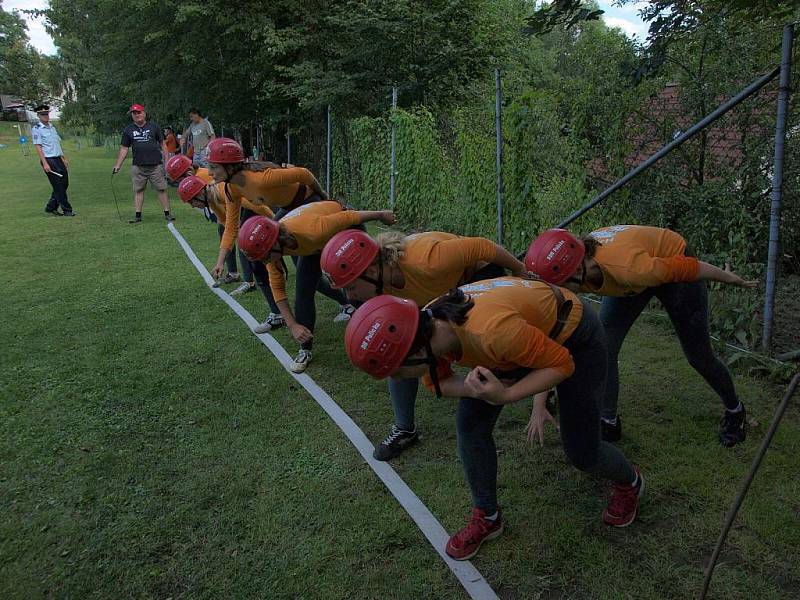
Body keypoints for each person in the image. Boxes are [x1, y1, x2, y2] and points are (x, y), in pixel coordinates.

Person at [345, 279, 643, 560]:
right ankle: (488, 516)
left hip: (574, 335)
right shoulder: (423, 327)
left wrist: (507, 395)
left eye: (397, 372)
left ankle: (631, 482)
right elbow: (440, 383)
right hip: (519, 336)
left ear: (416, 351)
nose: (397, 379)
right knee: (470, 424)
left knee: (583, 452)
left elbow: (562, 363)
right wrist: (478, 391)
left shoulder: (491, 332)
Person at [525, 226, 758, 447]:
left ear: (576, 270)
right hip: (631, 268)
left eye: (559, 285)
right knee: (605, 346)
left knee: (699, 355)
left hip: (669, 261)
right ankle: (608, 423)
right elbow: (556, 334)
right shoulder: (581, 269)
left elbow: (690, 268)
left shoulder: (631, 268)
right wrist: (539, 401)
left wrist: (730, 279)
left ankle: (735, 410)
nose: (557, 292)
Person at [321, 229, 526, 460]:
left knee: (491, 342)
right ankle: (404, 428)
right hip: (439, 295)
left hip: (474, 277)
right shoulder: (378, 289)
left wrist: (519, 270)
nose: (349, 297)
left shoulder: (427, 260)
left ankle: (532, 379)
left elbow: (482, 246)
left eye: (350, 287)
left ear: (370, 271)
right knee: (397, 352)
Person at [237, 203, 395, 373]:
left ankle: (390, 321)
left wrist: (381, 214)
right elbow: (277, 288)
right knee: (303, 291)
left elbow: (350, 217)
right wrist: (293, 326)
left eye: (265, 256)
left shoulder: (313, 229)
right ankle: (305, 349)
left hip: (344, 230)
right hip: (313, 246)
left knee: (357, 284)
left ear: (275, 243)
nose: (264, 261)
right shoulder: (275, 248)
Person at [176, 177, 294, 323]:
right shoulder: (214, 199)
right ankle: (276, 313)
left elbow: (260, 207)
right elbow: (228, 226)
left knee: (299, 261)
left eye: (191, 201)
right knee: (257, 263)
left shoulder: (225, 190)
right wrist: (220, 262)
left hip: (272, 210)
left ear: (200, 194)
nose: (192, 206)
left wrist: (278, 225)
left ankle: (278, 309)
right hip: (260, 213)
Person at [111, 103, 174, 224]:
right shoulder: (128, 130)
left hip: (155, 165)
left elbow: (162, 144)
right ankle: (138, 216)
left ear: (144, 113)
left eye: (139, 112)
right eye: (134, 113)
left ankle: (167, 213)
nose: (137, 115)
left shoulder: (154, 127)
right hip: (138, 166)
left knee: (161, 189)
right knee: (138, 190)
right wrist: (118, 165)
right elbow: (124, 148)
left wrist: (167, 161)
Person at [31, 104, 75, 217]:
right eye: (43, 114)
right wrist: (45, 163)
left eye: (47, 114)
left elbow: (57, 144)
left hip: (57, 158)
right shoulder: (37, 129)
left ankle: (51, 207)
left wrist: (63, 158)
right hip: (48, 159)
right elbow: (38, 147)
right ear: (39, 116)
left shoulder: (52, 127)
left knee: (65, 183)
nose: (46, 116)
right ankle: (67, 210)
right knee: (58, 185)